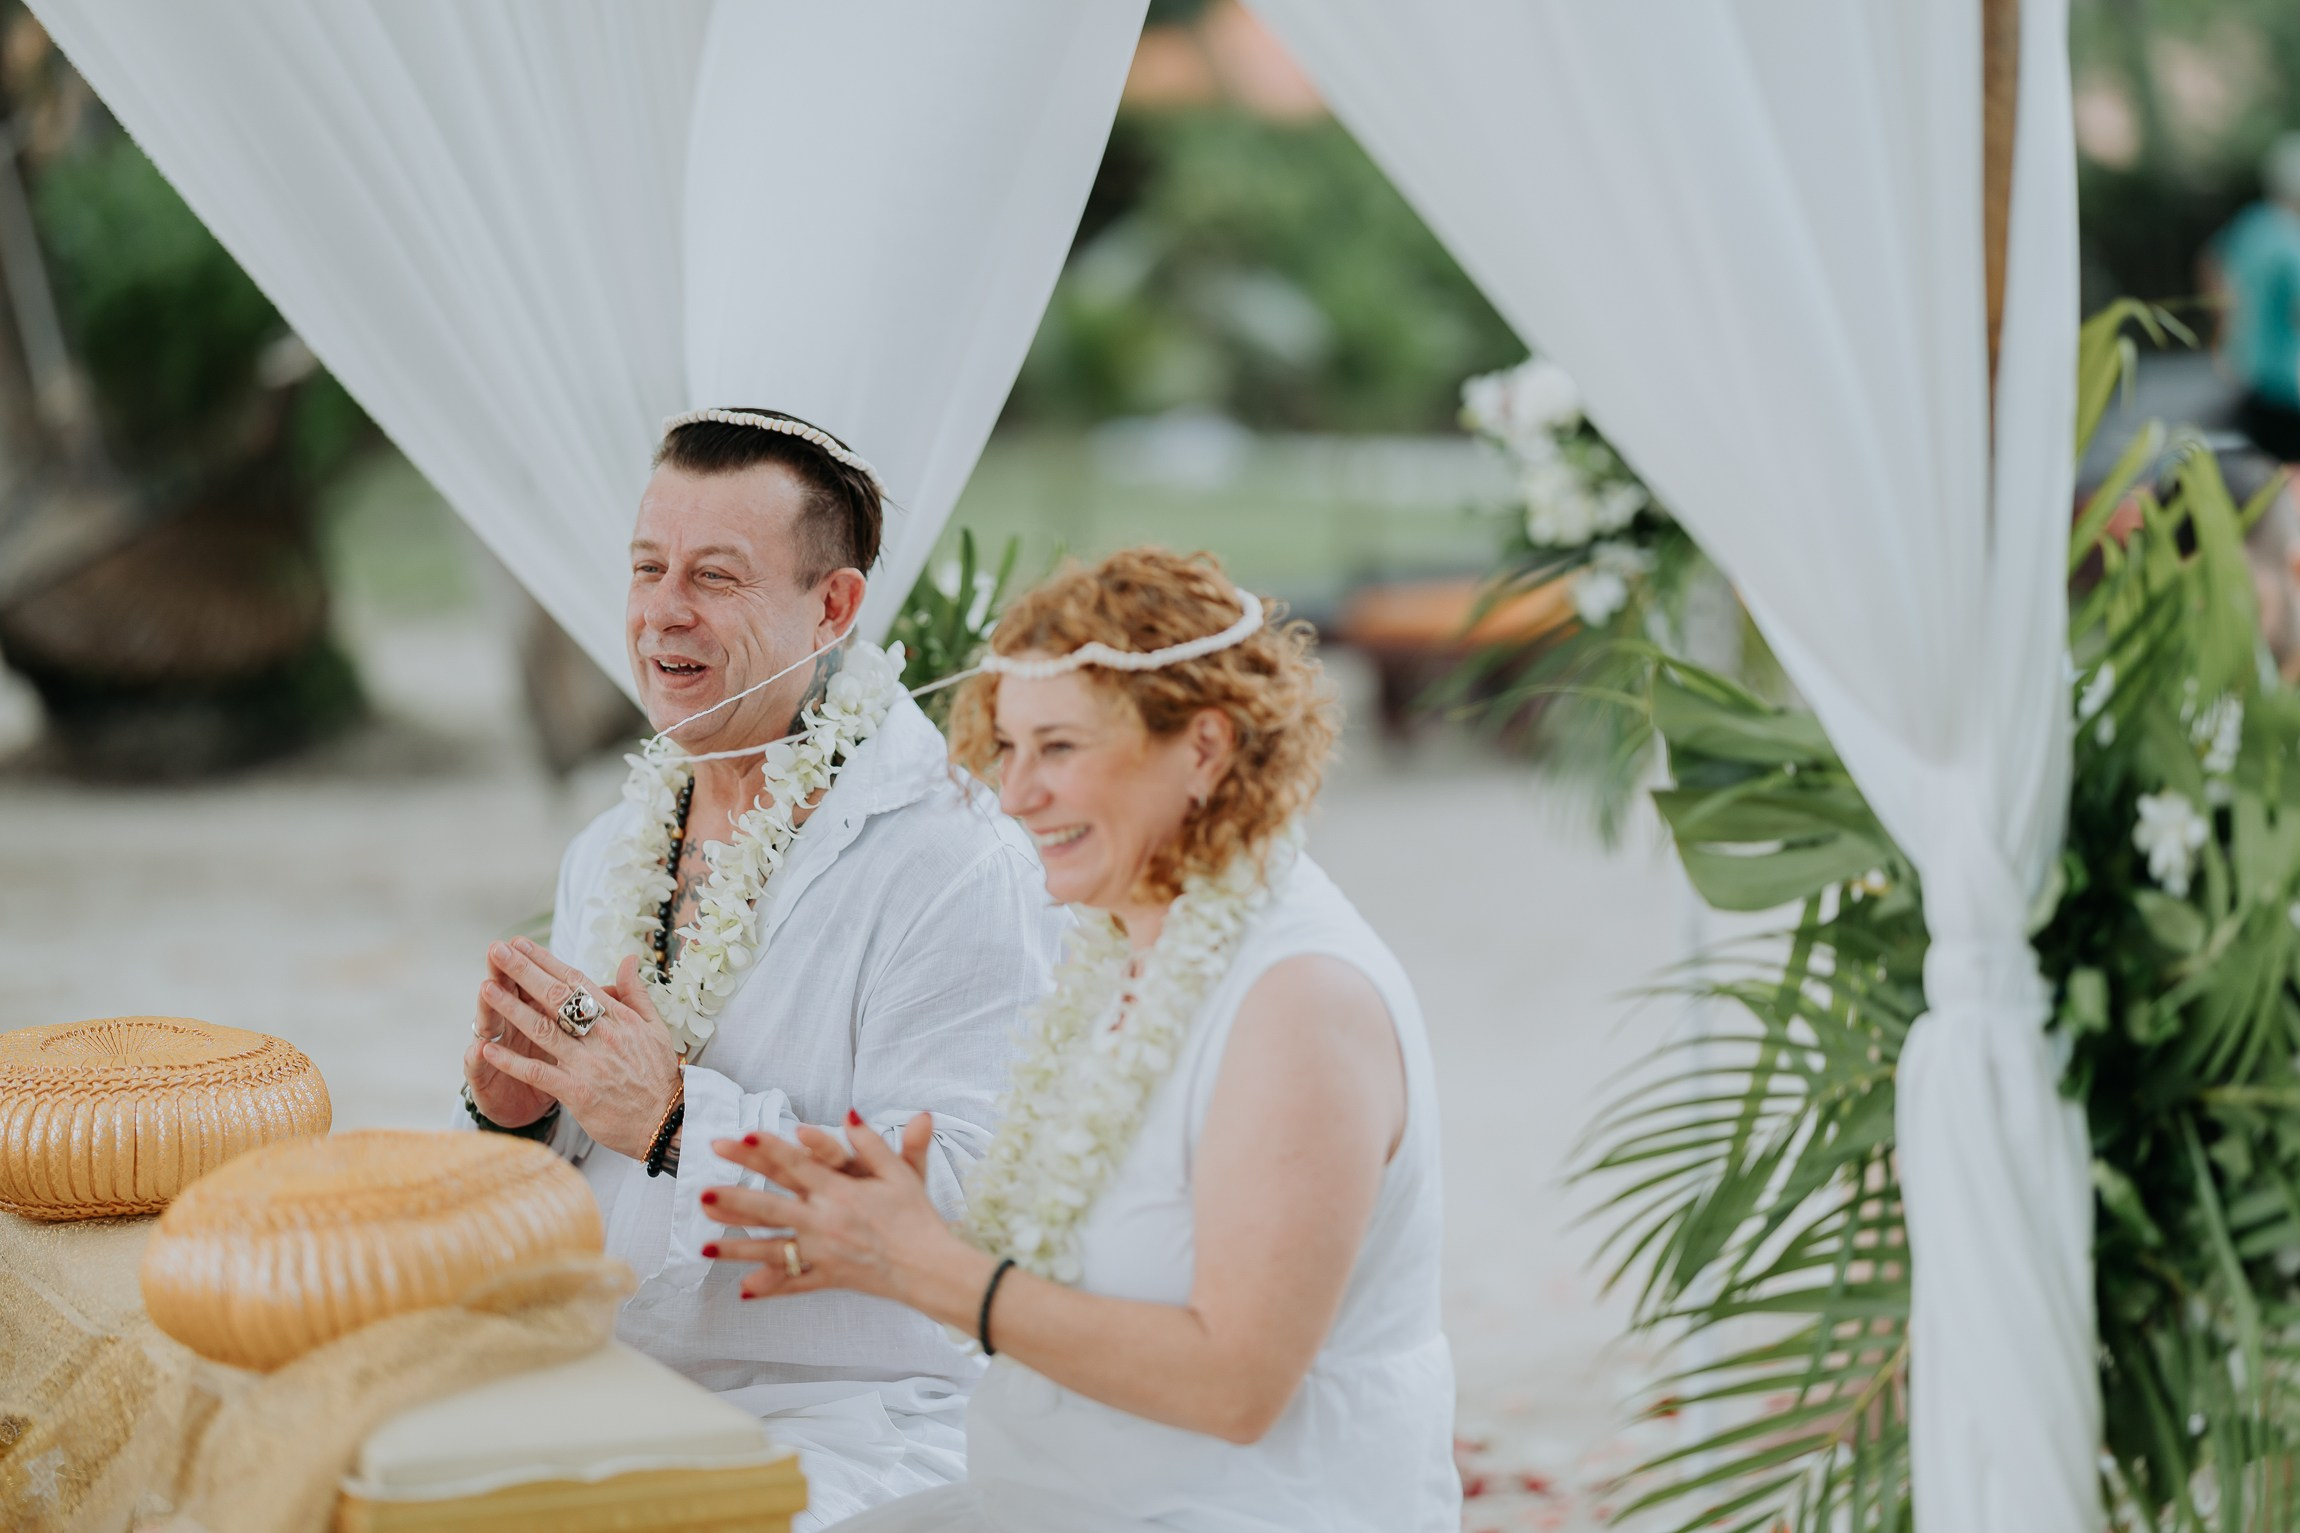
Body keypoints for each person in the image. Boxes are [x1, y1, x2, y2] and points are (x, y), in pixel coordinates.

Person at [702, 549, 1461, 1532]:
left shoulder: (1299, 1000)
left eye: (1058, 748)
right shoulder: (1114, 947)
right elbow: (1087, 1266)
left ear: (1202, 749)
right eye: (1006, 747)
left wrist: (925, 1267)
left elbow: (1235, 1386)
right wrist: (873, 1225)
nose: (1014, 795)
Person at [459, 407, 1065, 1530]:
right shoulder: (611, 846)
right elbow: (567, 1170)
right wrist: (515, 1120)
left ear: (831, 607)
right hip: (598, 1374)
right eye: (647, 568)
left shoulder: (951, 860)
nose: (661, 613)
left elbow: (976, 1206)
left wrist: (683, 1122)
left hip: (851, 1414)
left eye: (716, 577)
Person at [2208, 134, 2300, 463]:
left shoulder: (2253, 222)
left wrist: (2223, 329)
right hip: (2287, 383)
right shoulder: (2291, 240)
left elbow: (2212, 264)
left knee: (2260, 475)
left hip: (2247, 370)